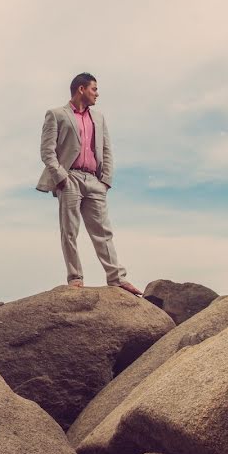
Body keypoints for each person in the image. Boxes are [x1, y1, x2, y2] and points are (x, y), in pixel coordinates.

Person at [36, 72, 142, 295]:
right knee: (70, 231)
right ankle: (75, 278)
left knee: (103, 231)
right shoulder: (56, 114)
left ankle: (116, 278)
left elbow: (106, 150)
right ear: (81, 89)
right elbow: (47, 151)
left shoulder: (99, 118)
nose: (97, 94)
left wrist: (106, 181)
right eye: (94, 89)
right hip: (70, 177)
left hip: (95, 180)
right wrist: (61, 177)